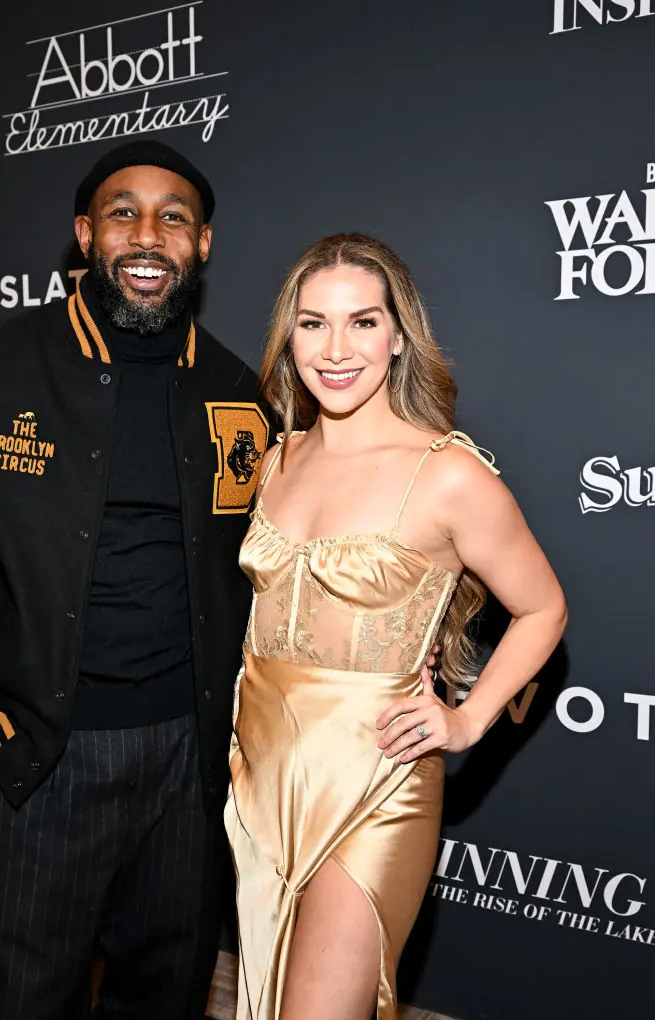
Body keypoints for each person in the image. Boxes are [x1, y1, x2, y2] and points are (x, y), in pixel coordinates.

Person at [0, 138, 270, 1020]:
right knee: (17, 999)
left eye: (173, 217)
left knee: (165, 996)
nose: (148, 234)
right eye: (122, 213)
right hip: (37, 754)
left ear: (202, 243)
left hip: (188, 762)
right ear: (85, 234)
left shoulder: (238, 390)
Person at [225, 234, 568, 1020]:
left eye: (362, 322)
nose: (334, 349)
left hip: (375, 773)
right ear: (289, 337)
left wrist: (467, 719)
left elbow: (542, 607)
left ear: (399, 337)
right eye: (313, 323)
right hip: (261, 768)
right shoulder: (275, 460)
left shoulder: (445, 473)